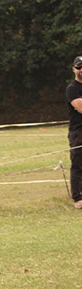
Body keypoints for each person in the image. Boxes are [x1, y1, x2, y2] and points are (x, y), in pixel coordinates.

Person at [66, 56, 82, 209]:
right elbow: (81, 108)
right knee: (78, 164)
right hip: (78, 132)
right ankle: (78, 198)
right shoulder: (72, 88)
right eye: (79, 67)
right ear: (74, 69)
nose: (81, 69)